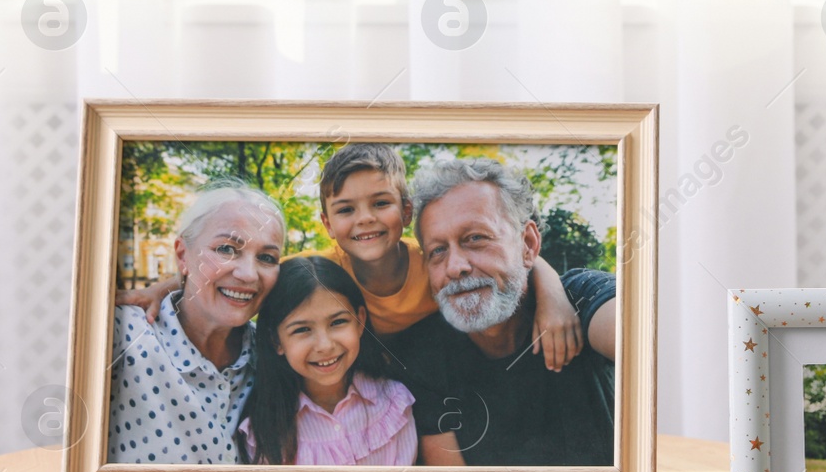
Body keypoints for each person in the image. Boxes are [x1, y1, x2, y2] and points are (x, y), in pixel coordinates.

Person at [120, 142, 585, 369]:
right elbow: (245, 276)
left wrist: (554, 295)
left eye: (380, 204)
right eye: (346, 209)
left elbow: (514, 255)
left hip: (428, 371)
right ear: (327, 224)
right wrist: (168, 285)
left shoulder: (438, 261)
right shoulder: (317, 271)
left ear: (406, 211)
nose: (364, 220)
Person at [390, 156, 617, 466]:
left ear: (528, 243)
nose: (455, 267)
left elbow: (646, 349)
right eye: (438, 251)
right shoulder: (425, 355)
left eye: (475, 239)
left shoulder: (581, 296)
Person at [108, 180, 284, 464]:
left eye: (266, 257)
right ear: (182, 255)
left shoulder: (276, 353)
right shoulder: (123, 335)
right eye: (226, 249)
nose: (249, 274)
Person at [237, 256, 422, 466]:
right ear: (276, 340)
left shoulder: (394, 403)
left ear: (360, 321)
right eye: (302, 330)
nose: (324, 345)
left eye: (338, 322)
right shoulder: (263, 431)